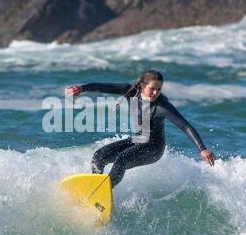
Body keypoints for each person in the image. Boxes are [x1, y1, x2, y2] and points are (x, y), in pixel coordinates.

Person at [66, 70, 215, 188]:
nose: (156, 93)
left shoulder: (162, 107)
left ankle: (103, 191)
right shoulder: (130, 91)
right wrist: (83, 88)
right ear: (143, 86)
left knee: (122, 159)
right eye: (152, 89)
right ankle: (94, 187)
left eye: (159, 89)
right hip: (137, 140)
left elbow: (185, 125)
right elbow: (103, 86)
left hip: (154, 148)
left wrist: (202, 148)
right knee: (99, 156)